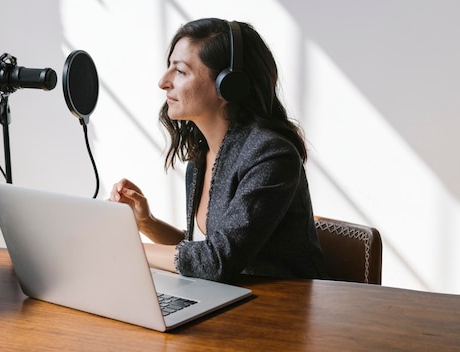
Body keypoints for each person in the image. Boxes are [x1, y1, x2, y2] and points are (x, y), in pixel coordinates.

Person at [109, 18, 327, 283]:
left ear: (228, 84)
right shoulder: (201, 160)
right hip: (234, 303)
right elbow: (199, 253)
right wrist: (147, 223)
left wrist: (127, 250)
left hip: (285, 313)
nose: (163, 82)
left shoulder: (271, 155)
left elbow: (217, 261)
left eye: (180, 71)